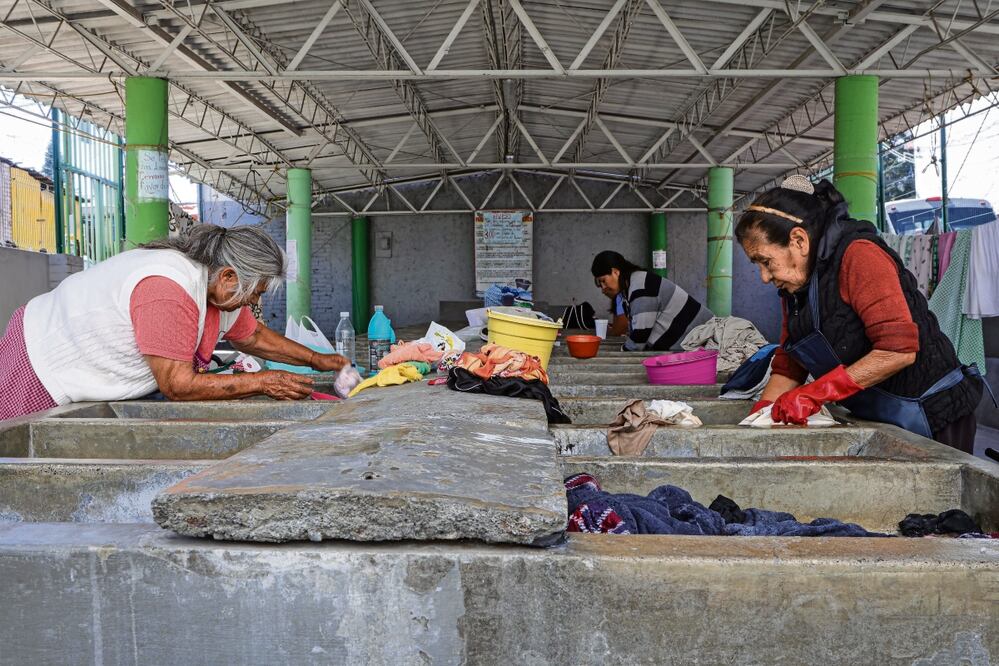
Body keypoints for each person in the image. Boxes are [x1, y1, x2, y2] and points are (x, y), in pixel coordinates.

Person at [736, 175, 984, 453]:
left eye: (765, 261)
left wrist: (815, 393)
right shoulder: (796, 288)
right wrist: (754, 424)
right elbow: (788, 368)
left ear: (799, 240)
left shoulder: (859, 255)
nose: (764, 277)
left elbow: (898, 351)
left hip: (931, 414)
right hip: (878, 415)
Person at [0, 224, 348, 422]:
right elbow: (178, 385)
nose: (254, 303)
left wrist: (320, 361)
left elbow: (254, 336)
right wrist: (263, 382)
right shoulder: (169, 288)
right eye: (254, 292)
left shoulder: (219, 291)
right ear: (229, 276)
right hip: (40, 363)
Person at [591, 251, 713, 351]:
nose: (603, 287)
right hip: (694, 344)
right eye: (599, 284)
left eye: (603, 281)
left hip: (707, 342)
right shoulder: (631, 288)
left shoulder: (640, 286)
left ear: (615, 272)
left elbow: (639, 338)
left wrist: (620, 353)